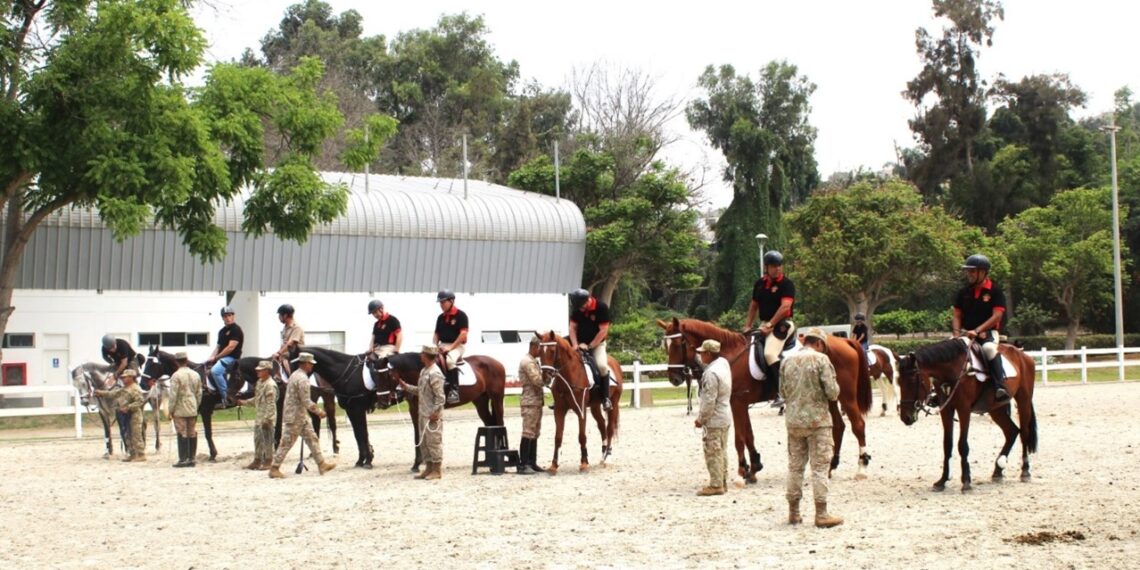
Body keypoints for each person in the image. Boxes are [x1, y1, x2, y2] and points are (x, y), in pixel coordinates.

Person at [780, 327, 843, 528]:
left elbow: (782, 391)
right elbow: (832, 392)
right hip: (818, 422)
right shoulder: (821, 360)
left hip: (794, 422)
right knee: (819, 468)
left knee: (795, 467)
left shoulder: (787, 360)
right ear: (819, 343)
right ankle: (821, 513)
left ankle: (794, 512)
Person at [952, 253, 1010, 402]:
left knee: (989, 349)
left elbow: (996, 316)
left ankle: (1000, 386)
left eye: (972, 271)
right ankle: (939, 390)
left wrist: (977, 331)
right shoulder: (963, 292)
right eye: (967, 271)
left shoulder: (995, 291)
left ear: (983, 272)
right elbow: (957, 316)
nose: (968, 274)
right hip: (966, 334)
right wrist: (956, 334)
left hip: (988, 333)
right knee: (945, 349)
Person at [268, 353, 335, 478]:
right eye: (310, 363)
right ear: (305, 364)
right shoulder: (303, 379)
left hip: (299, 415)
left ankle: (321, 463)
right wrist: (319, 412)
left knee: (312, 438)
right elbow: (306, 401)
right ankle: (274, 468)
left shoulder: (294, 375)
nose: (312, 366)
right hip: (295, 416)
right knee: (287, 442)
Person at [743, 250, 796, 408]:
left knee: (769, 353)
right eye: (774, 266)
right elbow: (754, 306)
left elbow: (785, 307)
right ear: (767, 267)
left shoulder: (786, 284)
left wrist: (770, 325)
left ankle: (781, 392)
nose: (778, 268)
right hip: (765, 324)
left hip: (782, 325)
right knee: (747, 349)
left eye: (779, 265)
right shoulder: (759, 284)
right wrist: (748, 325)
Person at [397, 345, 445, 480]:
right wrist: (406, 387)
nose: (420, 356)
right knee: (424, 442)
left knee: (434, 442)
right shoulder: (424, 371)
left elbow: (440, 397)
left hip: (432, 415)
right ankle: (428, 468)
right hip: (423, 413)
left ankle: (437, 470)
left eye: (422, 354)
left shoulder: (434, 373)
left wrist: (436, 412)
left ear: (427, 355)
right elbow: (420, 390)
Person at [693, 339, 731, 496]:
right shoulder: (723, 363)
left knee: (712, 451)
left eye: (702, 353)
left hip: (714, 418)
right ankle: (722, 480)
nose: (700, 356)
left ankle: (716, 485)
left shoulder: (710, 374)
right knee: (721, 449)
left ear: (708, 354)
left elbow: (709, 401)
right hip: (725, 414)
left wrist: (701, 419)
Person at [568, 288, 613, 411]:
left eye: (582, 306)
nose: (580, 310)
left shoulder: (601, 307)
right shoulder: (578, 308)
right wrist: (575, 345)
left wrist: (590, 346)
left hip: (597, 344)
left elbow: (603, 331)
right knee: (562, 361)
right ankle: (561, 398)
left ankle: (605, 398)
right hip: (578, 343)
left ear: (587, 300)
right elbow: (572, 328)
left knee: (602, 366)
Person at [94, 369, 146, 462]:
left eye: (125, 377)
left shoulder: (135, 388)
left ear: (131, 378)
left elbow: (140, 401)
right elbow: (114, 394)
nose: (123, 379)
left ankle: (141, 454)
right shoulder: (125, 388)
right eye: (123, 377)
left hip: (134, 415)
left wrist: (128, 407)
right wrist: (101, 393)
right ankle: (132, 454)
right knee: (128, 434)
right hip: (126, 415)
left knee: (136, 434)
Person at [237, 360, 278, 470]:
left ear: (267, 371)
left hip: (267, 417)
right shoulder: (260, 382)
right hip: (259, 416)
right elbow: (257, 399)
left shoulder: (270, 385)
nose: (257, 372)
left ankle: (269, 460)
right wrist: (244, 402)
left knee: (268, 439)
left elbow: (271, 404)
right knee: (258, 439)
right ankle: (257, 460)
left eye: (260, 370)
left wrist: (268, 419)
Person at [432, 289, 468, 405]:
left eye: (443, 302)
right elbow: (436, 334)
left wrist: (450, 347)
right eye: (440, 303)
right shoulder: (440, 317)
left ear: (451, 301)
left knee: (450, 361)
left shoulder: (461, 315)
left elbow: (463, 335)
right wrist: (434, 346)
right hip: (443, 345)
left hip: (457, 345)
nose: (441, 305)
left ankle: (454, 390)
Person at [168, 352, 202, 468]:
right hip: (192, 405)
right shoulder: (195, 374)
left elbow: (173, 395)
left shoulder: (176, 376)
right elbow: (199, 392)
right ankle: (192, 458)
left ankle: (183, 458)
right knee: (192, 431)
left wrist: (170, 409)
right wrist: (196, 405)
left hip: (180, 406)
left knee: (181, 431)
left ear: (176, 361)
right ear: (186, 360)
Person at [517, 336, 545, 475]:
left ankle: (531, 462)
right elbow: (537, 380)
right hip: (530, 401)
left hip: (536, 401)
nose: (542, 351)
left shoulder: (534, 361)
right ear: (534, 346)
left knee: (534, 433)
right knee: (528, 432)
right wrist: (549, 376)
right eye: (541, 348)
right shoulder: (527, 362)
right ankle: (523, 464)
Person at [205, 306, 243, 408]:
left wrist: (216, 358)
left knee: (215, 371)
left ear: (233, 316)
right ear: (222, 318)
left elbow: (231, 347)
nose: (228, 318)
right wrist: (210, 358)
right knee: (205, 368)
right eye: (225, 316)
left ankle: (226, 398)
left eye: (230, 315)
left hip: (232, 359)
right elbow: (218, 347)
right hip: (222, 358)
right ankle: (213, 395)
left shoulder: (236, 330)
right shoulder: (221, 331)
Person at [274, 304, 304, 376]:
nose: (279, 318)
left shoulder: (297, 327)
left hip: (295, 356)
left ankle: (291, 379)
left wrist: (278, 353)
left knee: (284, 362)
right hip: (286, 355)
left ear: (285, 315)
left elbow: (290, 343)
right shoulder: (285, 328)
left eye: (280, 315)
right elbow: (284, 343)